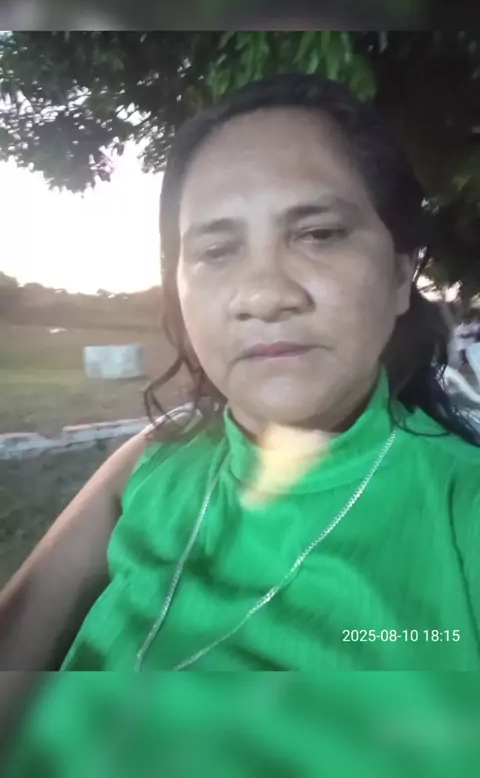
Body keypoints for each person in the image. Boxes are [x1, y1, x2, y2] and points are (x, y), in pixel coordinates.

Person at [2, 74, 480, 775]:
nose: (263, 294)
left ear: (402, 274)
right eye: (216, 251)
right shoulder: (152, 463)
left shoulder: (461, 512)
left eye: (318, 234)